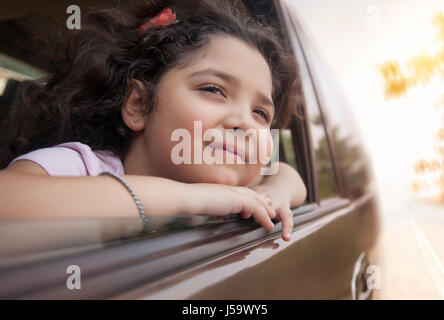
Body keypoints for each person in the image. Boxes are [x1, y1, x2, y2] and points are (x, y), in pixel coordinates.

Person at [0, 0, 306, 242]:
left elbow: (290, 177)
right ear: (139, 104)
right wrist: (191, 199)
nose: (245, 123)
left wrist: (275, 194)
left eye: (261, 114)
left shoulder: (241, 185)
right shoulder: (83, 167)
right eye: (213, 89)